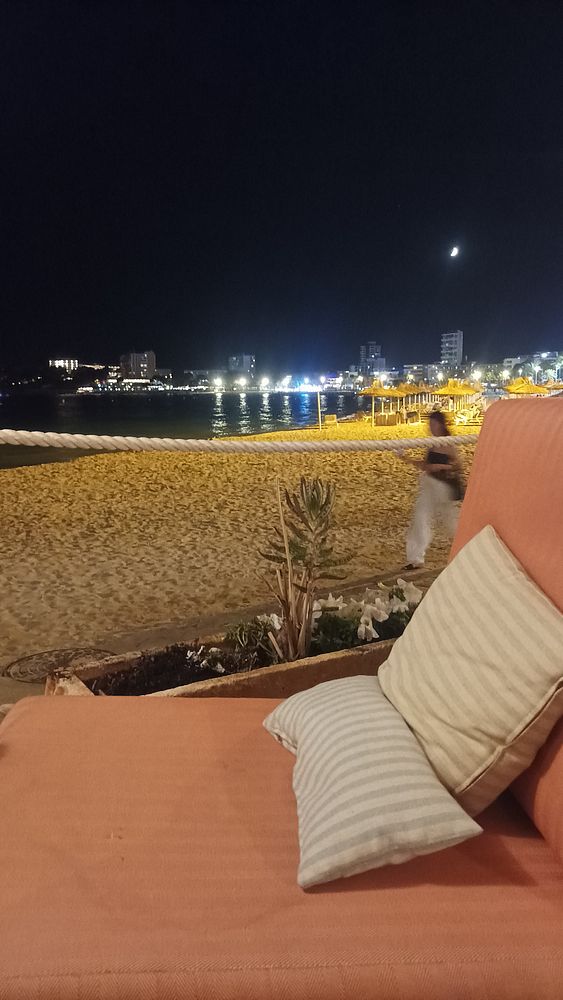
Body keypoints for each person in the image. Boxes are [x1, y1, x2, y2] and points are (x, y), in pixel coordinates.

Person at [399, 410, 464, 570]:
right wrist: (404, 458)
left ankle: (465, 551)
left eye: (433, 424)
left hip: (443, 488)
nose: (431, 427)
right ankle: (415, 559)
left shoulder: (448, 443)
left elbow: (458, 465)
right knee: (420, 518)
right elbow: (425, 465)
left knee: (451, 523)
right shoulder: (433, 443)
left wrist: (440, 466)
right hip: (429, 484)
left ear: (441, 425)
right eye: (429, 424)